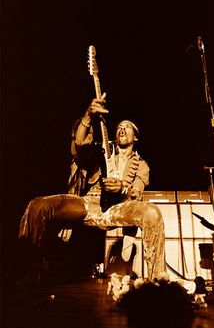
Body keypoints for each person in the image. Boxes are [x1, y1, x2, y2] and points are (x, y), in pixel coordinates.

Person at [18, 94, 166, 282]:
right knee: (38, 205)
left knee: (152, 213)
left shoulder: (142, 165)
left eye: (127, 127)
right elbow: (79, 146)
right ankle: (26, 273)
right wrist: (87, 116)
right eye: (119, 127)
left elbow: (136, 194)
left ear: (135, 136)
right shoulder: (101, 151)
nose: (122, 129)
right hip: (90, 202)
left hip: (119, 207)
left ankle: (158, 282)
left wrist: (122, 189)